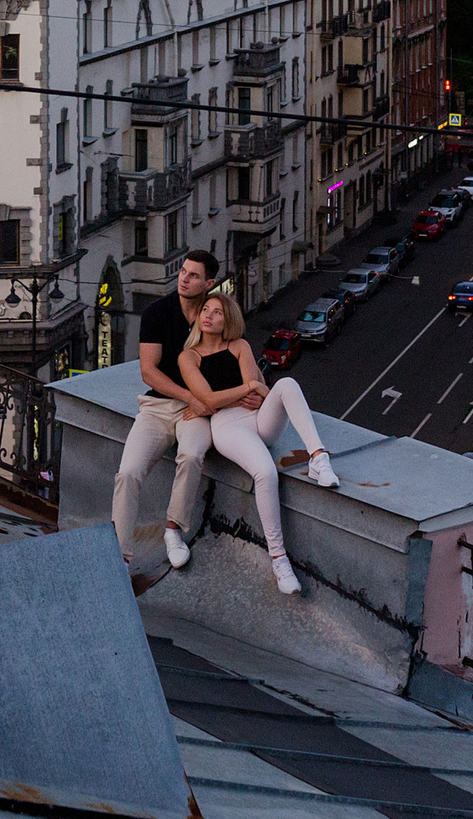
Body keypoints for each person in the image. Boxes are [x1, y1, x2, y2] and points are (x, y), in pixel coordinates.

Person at [176, 289, 339, 596]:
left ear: (228, 320)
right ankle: (279, 560)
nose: (209, 316)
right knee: (266, 473)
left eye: (217, 312)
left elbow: (262, 389)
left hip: (258, 417)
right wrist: (248, 388)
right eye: (205, 310)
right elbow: (209, 400)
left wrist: (255, 390)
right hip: (226, 426)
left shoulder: (239, 345)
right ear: (198, 317)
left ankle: (319, 458)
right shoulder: (189, 356)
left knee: (288, 383)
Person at [110, 248, 221, 579]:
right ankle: (121, 557)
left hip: (200, 411)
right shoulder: (157, 312)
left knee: (191, 456)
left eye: (193, 275)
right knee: (128, 473)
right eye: (183, 272)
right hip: (159, 407)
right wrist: (190, 396)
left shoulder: (216, 315)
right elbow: (149, 372)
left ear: (209, 283)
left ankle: (173, 530)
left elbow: (232, 358)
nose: (184, 279)